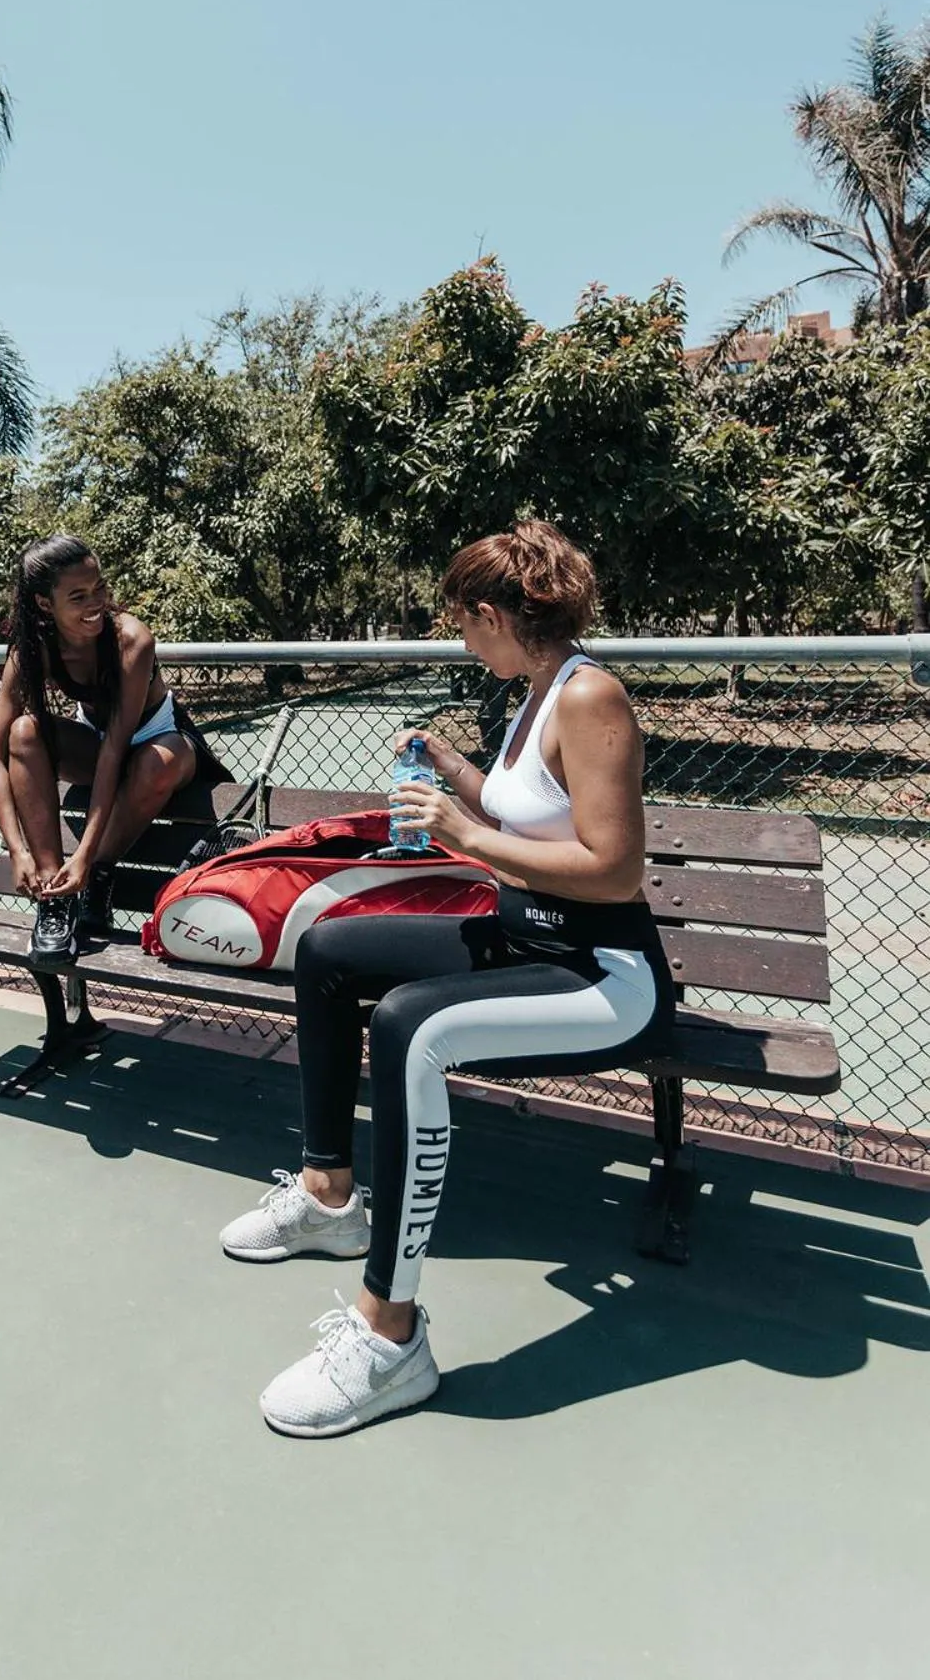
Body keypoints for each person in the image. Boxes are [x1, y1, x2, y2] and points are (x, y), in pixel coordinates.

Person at [218, 521, 675, 1437]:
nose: (460, 640)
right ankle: (328, 1197)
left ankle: (391, 1340)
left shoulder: (592, 697)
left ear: (494, 613)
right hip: (524, 942)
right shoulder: (536, 693)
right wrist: (456, 769)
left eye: (462, 623)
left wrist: (463, 835)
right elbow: (531, 815)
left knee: (407, 1027)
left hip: (601, 974)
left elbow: (616, 870)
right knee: (331, 951)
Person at [0, 534, 223, 963]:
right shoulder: (31, 653)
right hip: (99, 746)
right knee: (23, 733)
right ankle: (53, 898)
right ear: (44, 604)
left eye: (99, 588)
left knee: (153, 763)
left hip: (165, 743)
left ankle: (94, 880)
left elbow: (117, 750)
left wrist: (88, 858)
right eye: (77, 596)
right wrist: (16, 848)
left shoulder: (131, 639)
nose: (95, 603)